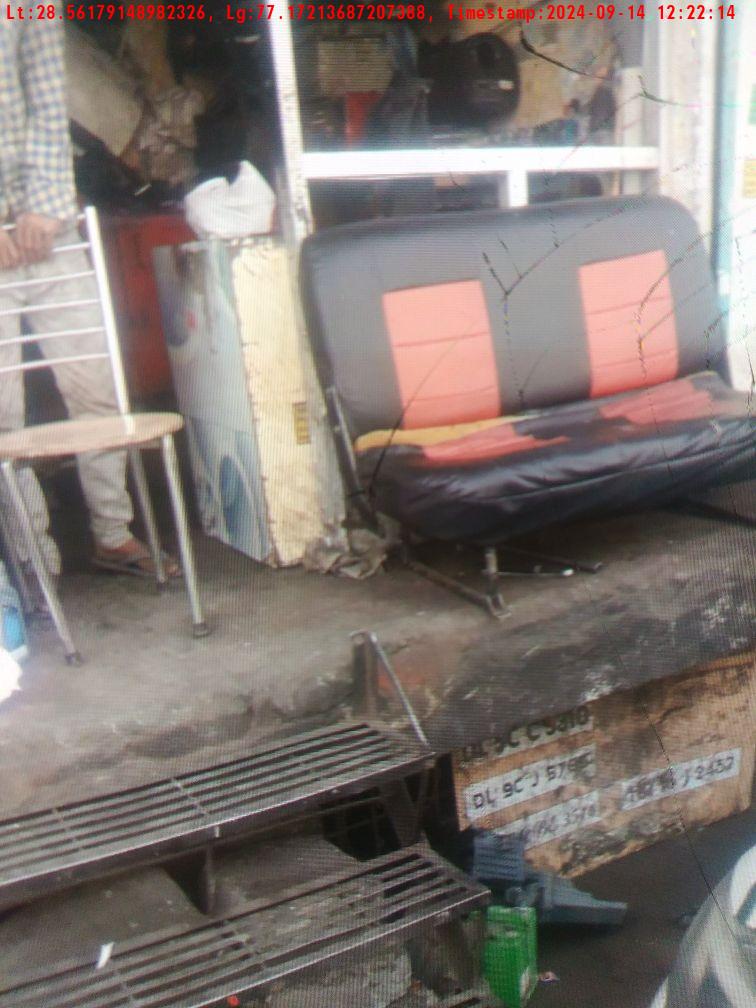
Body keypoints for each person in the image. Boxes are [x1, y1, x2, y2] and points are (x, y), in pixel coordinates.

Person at [0, 13, 178, 590]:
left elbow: (49, 92)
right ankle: (32, 558)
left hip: (47, 227)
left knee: (97, 389)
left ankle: (113, 533)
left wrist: (47, 204)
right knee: (2, 418)